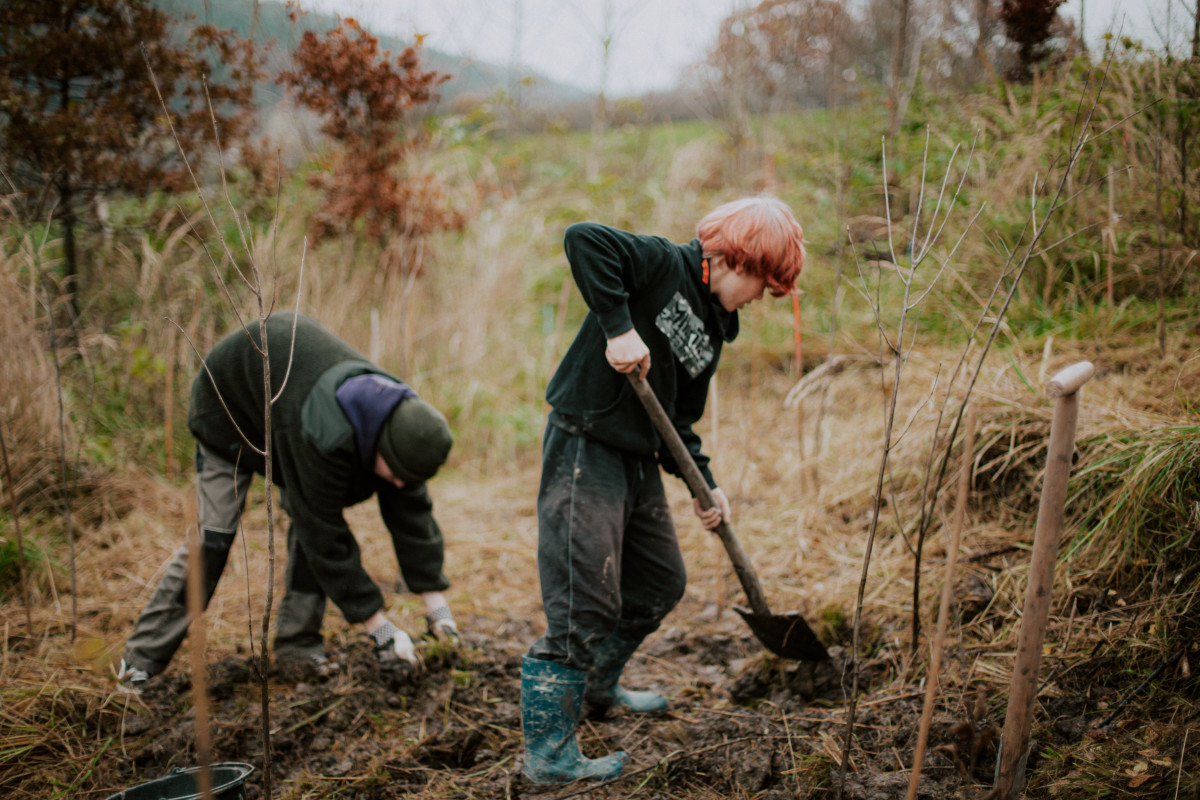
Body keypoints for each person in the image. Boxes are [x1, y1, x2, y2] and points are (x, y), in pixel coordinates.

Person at [520, 197, 806, 783]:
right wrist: (619, 329)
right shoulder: (660, 264)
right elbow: (583, 235)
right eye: (761, 283)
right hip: (586, 440)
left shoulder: (714, 332)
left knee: (659, 583)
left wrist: (707, 485)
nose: (759, 298)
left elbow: (677, 420)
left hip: (638, 458)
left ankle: (597, 685)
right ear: (733, 259)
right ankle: (548, 756)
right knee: (584, 597)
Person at [117, 311, 458, 693]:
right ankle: (138, 664)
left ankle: (297, 646)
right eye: (394, 474)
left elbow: (412, 515)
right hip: (229, 406)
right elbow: (324, 533)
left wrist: (438, 611)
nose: (398, 483)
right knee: (215, 538)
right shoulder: (325, 432)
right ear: (379, 447)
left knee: (311, 511)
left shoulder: (405, 428)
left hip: (287, 412)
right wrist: (380, 630)